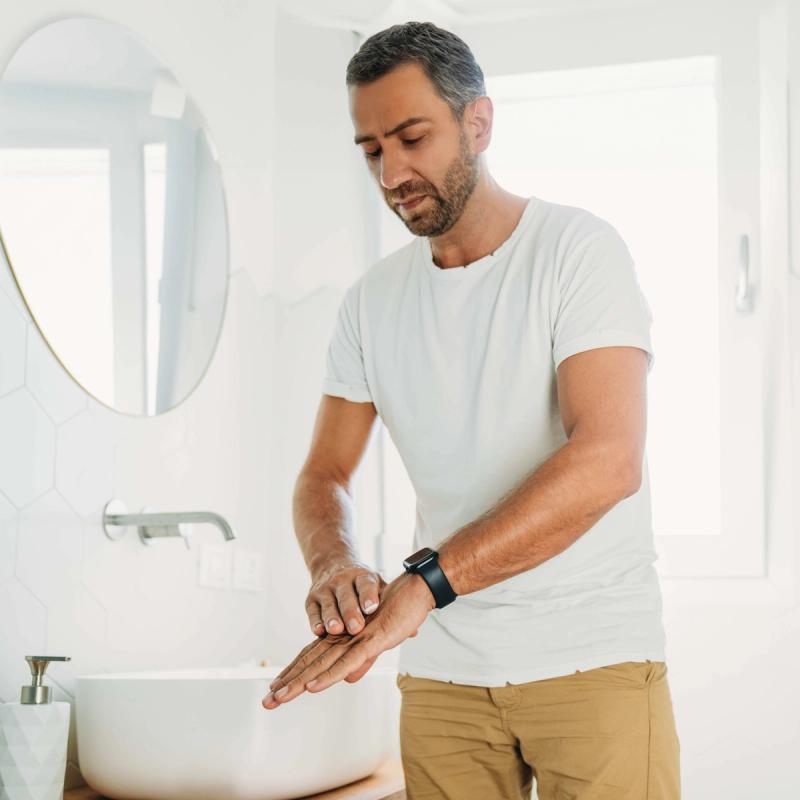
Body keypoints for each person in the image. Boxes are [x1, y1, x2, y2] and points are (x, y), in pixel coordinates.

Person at [262, 20, 680, 800]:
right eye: (371, 151)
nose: (391, 173)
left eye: (412, 138)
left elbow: (608, 460)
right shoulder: (372, 303)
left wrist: (424, 584)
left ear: (478, 123)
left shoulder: (577, 251)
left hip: (591, 660)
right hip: (445, 680)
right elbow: (324, 472)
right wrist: (333, 562)